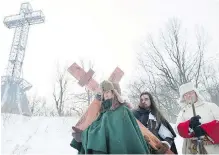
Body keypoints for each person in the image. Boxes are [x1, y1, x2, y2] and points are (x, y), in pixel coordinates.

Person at [70, 80, 151, 154]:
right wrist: (84, 134)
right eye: (104, 93)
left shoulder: (122, 110)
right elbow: (98, 128)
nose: (107, 94)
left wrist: (84, 137)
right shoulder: (103, 112)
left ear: (113, 93)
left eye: (108, 91)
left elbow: (124, 132)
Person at [176, 82, 219, 154]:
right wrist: (188, 124)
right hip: (193, 148)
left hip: (212, 146)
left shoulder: (210, 106)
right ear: (183, 97)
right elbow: (178, 129)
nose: (189, 96)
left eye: (191, 93)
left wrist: (204, 128)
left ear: (196, 93)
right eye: (185, 95)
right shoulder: (182, 112)